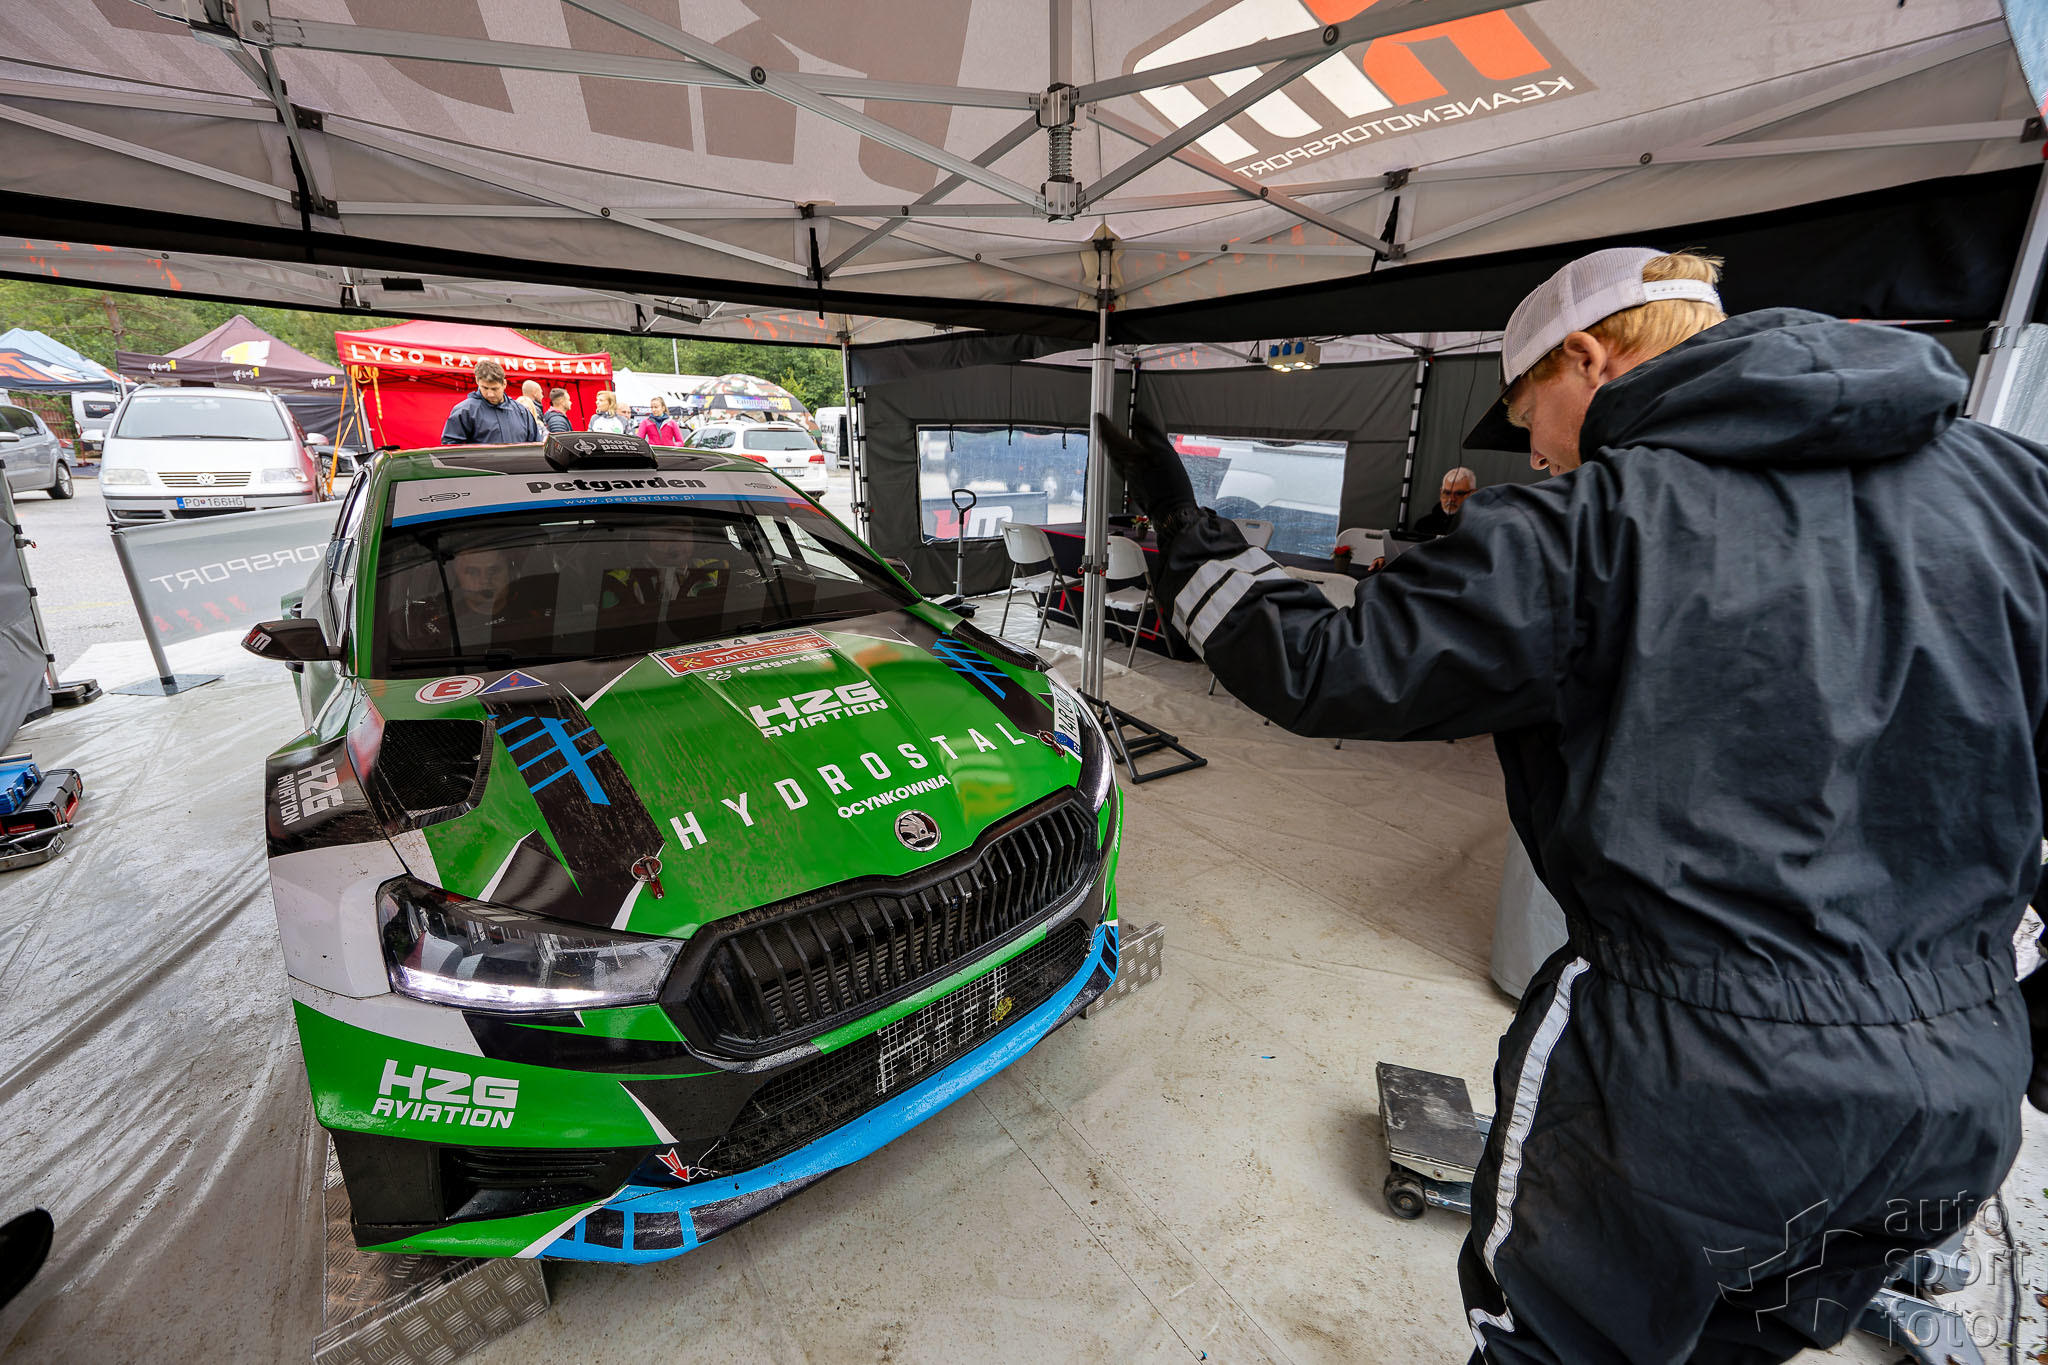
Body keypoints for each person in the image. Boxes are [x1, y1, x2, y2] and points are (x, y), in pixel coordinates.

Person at [1096, 246, 2047, 1364]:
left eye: (1527, 414)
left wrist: (1184, 527)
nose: (1537, 450)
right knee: (1746, 1340)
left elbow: (1326, 666)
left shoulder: (1589, 522)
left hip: (1688, 1087)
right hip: (1956, 1080)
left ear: (1587, 358)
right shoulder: (2013, 490)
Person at [440, 360, 541, 445]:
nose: (490, 394)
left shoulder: (522, 412)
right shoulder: (465, 411)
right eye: (485, 388)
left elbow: (535, 446)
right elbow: (452, 449)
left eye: (494, 389)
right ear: (477, 381)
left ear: (504, 384)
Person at [1413, 466, 1477, 538]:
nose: (1451, 499)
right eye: (1447, 493)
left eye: (1459, 493)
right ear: (1441, 492)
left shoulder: (1480, 527)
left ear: (1473, 494)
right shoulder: (1423, 526)